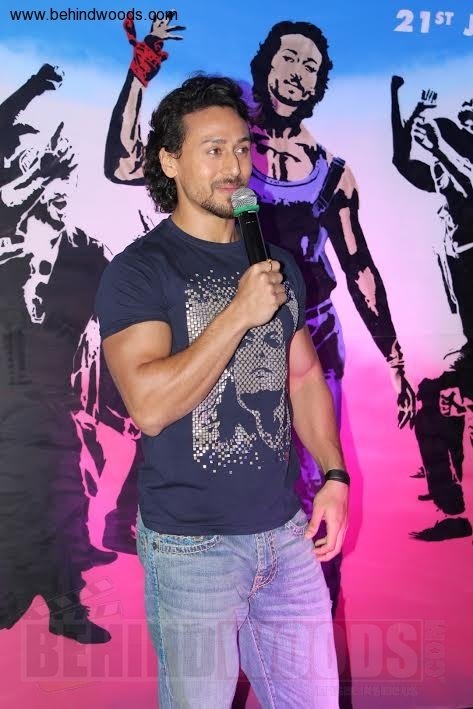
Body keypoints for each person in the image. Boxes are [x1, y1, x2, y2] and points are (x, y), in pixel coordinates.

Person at [103, 19, 415, 615]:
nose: (297, 74)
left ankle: (320, 593)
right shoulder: (166, 234)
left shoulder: (329, 173)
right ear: (265, 64)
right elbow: (122, 162)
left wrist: (393, 360)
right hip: (192, 530)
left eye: (311, 66)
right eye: (288, 59)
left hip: (301, 342)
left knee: (312, 516)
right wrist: (140, 74)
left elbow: (359, 269)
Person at [96, 74, 349, 708]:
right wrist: (238, 313)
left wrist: (335, 474)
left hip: (285, 536)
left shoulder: (275, 263)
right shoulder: (139, 271)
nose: (235, 168)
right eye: (213, 150)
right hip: (192, 549)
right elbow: (150, 407)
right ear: (169, 161)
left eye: (241, 148)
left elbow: (303, 376)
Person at [391, 77, 473, 540]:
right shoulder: (450, 177)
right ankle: (451, 506)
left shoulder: (461, 169)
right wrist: (401, 106)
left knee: (441, 401)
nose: (465, 123)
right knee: (434, 402)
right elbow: (403, 162)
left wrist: (438, 143)